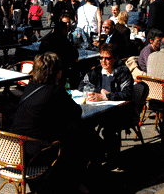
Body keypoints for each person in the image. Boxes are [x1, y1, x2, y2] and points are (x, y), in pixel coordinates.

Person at [10, 52, 92, 194]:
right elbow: (75, 112)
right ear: (58, 73)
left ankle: (69, 183)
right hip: (33, 156)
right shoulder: (55, 91)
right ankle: (73, 184)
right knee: (79, 140)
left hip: (12, 152)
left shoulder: (30, 88)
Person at [78, 43, 133, 168]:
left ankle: (112, 160)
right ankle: (95, 155)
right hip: (98, 109)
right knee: (82, 125)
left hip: (119, 111)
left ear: (115, 58)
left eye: (107, 58)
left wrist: (106, 96)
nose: (103, 61)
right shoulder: (97, 70)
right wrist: (96, 92)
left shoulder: (122, 72)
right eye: (101, 57)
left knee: (109, 129)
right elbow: (82, 85)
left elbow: (128, 93)